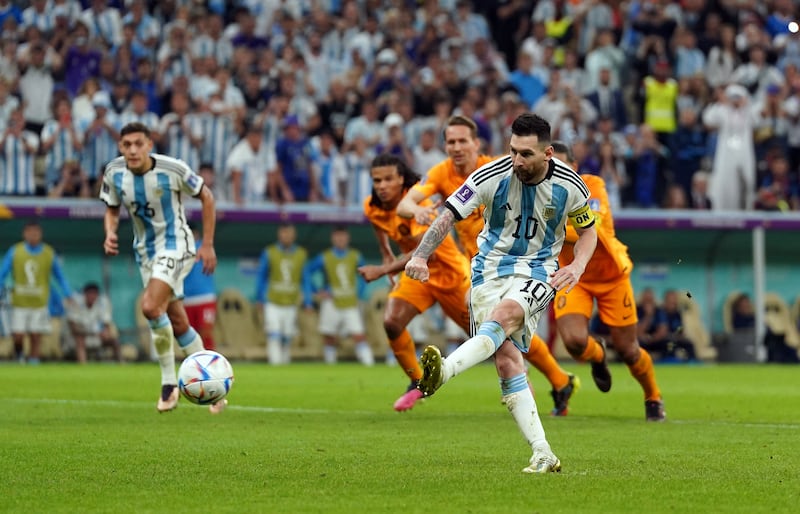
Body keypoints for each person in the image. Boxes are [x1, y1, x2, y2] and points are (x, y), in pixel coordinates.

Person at [405, 113, 598, 473]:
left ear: (548, 153)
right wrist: (420, 255)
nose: (517, 160)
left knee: (504, 316)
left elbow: (588, 232)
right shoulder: (489, 176)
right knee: (507, 360)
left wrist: (576, 266)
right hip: (488, 271)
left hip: (539, 270)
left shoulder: (571, 185)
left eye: (526, 154)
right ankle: (543, 452)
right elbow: (447, 214)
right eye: (513, 151)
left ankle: (443, 372)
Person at [527, 141, 666, 422]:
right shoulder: (541, 194)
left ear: (574, 168)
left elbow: (591, 226)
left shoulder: (593, 186)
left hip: (611, 276)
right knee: (574, 342)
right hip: (573, 275)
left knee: (628, 350)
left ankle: (653, 396)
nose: (555, 171)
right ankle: (598, 355)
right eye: (549, 166)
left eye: (562, 165)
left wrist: (548, 229)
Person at [99, 122, 223, 414]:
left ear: (149, 144)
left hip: (177, 245)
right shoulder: (114, 173)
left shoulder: (173, 169)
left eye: (138, 143)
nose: (132, 150)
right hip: (145, 253)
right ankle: (216, 385)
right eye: (127, 144)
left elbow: (207, 196)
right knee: (178, 322)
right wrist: (110, 231)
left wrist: (207, 244)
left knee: (151, 307)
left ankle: (169, 384)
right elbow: (112, 207)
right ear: (120, 147)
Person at [358, 153, 472, 412]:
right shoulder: (371, 206)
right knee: (391, 322)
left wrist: (382, 269)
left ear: (402, 180)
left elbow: (425, 251)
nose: (382, 186)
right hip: (416, 276)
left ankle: (554, 378)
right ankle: (417, 382)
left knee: (488, 336)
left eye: (388, 179)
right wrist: (386, 251)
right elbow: (378, 224)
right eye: (377, 180)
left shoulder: (420, 207)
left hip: (449, 275)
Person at [0, 220, 74, 364]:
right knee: (18, 335)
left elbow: (59, 276)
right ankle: (20, 355)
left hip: (39, 302)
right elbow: (3, 273)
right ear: (24, 234)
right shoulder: (15, 251)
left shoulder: (48, 253)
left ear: (40, 234)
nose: (33, 235)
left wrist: (68, 293)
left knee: (35, 335)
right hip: (20, 302)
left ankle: (34, 361)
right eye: (30, 233)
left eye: (36, 233)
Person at [303, 226, 374, 366]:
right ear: (333, 238)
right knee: (329, 335)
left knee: (358, 334)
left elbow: (365, 275)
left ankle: (369, 364)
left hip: (350, 302)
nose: (340, 239)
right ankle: (330, 364)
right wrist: (316, 290)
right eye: (338, 236)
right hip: (331, 302)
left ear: (348, 238)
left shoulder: (355, 255)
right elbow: (306, 271)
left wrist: (359, 293)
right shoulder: (325, 257)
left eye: (343, 236)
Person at [254, 223, 308, 365]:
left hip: (291, 302)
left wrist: (308, 301)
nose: (287, 236)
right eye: (284, 233)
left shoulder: (301, 254)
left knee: (287, 336)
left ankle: (284, 362)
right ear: (279, 235)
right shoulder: (270, 252)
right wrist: (259, 298)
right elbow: (261, 276)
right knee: (274, 333)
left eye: (289, 233)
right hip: (272, 301)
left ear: (294, 235)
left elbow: (306, 279)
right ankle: (275, 363)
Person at [66, 282, 121, 363]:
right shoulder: (76, 302)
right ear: (84, 294)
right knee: (79, 339)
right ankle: (83, 365)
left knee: (114, 341)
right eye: (89, 293)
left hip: (96, 336)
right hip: (76, 338)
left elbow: (106, 323)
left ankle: (122, 364)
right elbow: (73, 328)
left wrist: (105, 332)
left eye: (94, 294)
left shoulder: (102, 302)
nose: (92, 296)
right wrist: (92, 333)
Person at [183, 223, 217, 351]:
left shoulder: (205, 247)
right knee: (189, 337)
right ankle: (193, 365)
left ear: (196, 234)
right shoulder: (180, 249)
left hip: (205, 297)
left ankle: (210, 364)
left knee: (206, 333)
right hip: (186, 299)